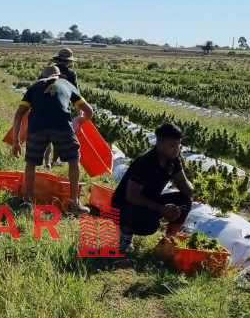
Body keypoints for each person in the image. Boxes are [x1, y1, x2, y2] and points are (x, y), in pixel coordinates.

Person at [10, 64, 93, 217]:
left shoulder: (35, 87)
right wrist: (81, 120)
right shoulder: (67, 84)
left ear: (43, 77)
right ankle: (74, 204)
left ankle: (28, 200)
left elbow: (18, 115)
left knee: (31, 163)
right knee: (74, 160)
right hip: (61, 126)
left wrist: (16, 142)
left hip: (37, 127)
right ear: (59, 76)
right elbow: (89, 111)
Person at [111, 122, 193, 253]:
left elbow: (183, 183)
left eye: (179, 144)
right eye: (172, 145)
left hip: (148, 202)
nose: (176, 149)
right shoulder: (145, 162)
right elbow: (132, 196)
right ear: (159, 143)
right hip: (123, 206)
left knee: (184, 201)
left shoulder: (173, 160)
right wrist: (162, 209)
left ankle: (166, 243)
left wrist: (191, 192)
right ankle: (125, 236)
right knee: (151, 224)